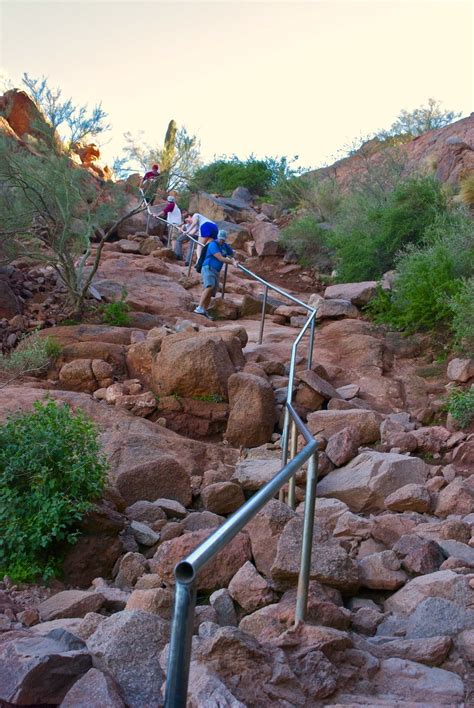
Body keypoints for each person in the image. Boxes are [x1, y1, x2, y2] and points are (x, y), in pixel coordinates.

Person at [194, 230, 236, 318]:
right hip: (208, 267)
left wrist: (234, 259)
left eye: (223, 240)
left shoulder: (224, 246)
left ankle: (204, 310)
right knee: (209, 286)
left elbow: (232, 254)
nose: (221, 241)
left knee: (211, 291)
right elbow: (220, 258)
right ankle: (199, 307)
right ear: (218, 238)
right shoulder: (213, 244)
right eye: (220, 239)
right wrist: (232, 262)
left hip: (216, 270)